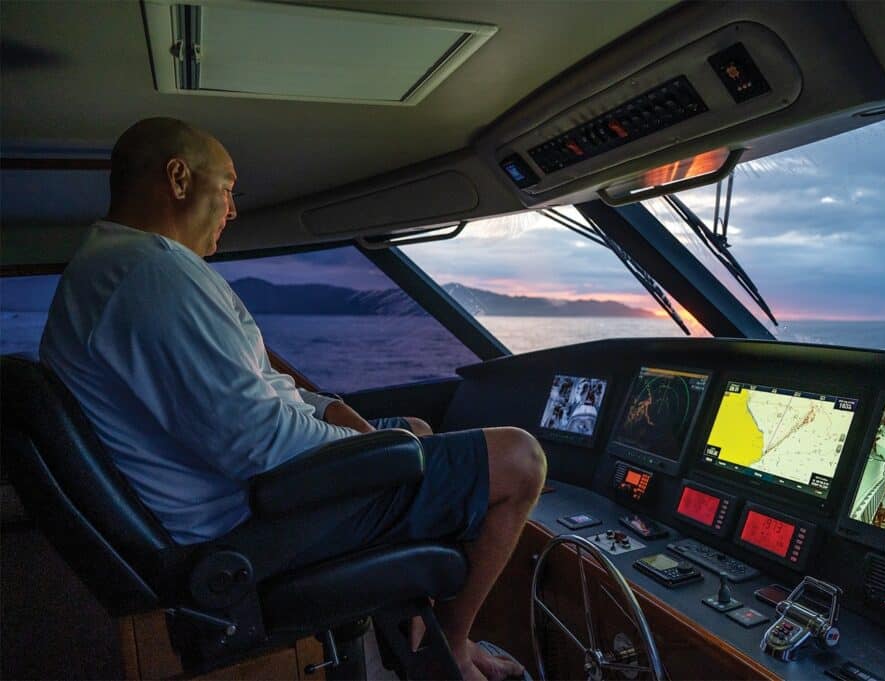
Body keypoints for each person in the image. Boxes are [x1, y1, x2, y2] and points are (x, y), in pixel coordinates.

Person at [40, 118, 546, 681]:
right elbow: (260, 446)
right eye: (227, 187)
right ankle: (453, 644)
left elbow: (259, 387)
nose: (232, 210)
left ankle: (406, 620)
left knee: (418, 431)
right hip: (250, 523)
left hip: (233, 501)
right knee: (519, 460)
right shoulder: (152, 276)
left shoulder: (117, 265)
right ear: (179, 178)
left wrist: (334, 411)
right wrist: (370, 447)